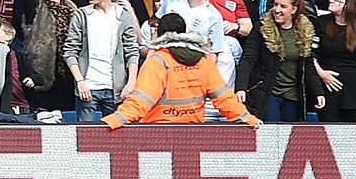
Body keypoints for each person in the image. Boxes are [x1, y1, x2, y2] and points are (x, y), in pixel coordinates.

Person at [102, 19, 259, 128]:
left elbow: (140, 101)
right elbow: (224, 98)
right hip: (192, 132)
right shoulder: (203, 60)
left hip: (157, 133)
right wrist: (247, 119)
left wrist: (114, 121)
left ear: (160, 34)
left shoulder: (158, 61)